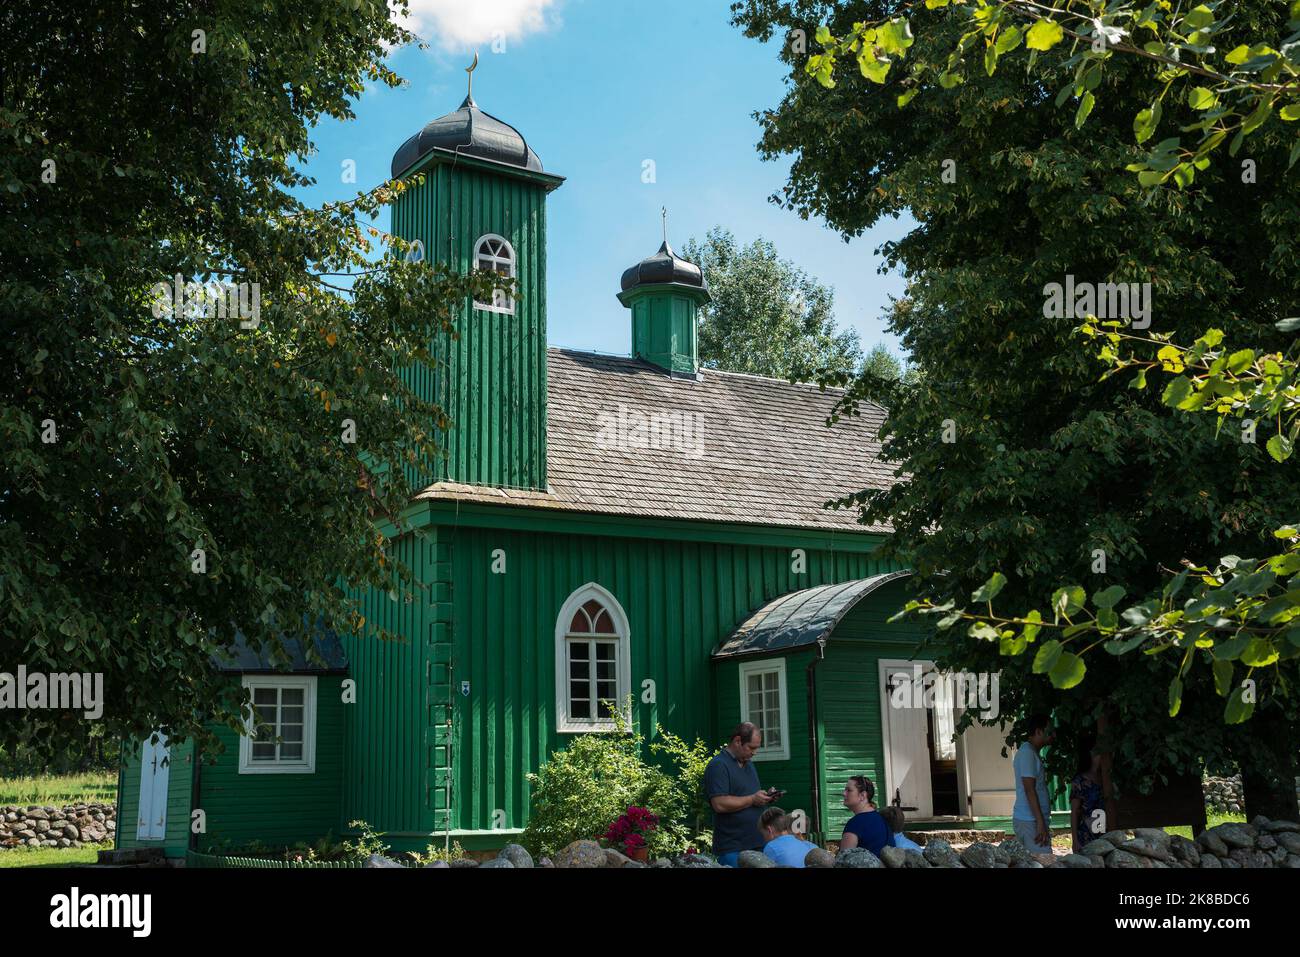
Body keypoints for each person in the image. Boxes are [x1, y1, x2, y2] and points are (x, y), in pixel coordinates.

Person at [704, 722, 776, 867]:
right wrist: (752, 799)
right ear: (737, 741)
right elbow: (719, 803)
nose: (754, 752)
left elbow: (749, 797)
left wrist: (765, 798)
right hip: (732, 848)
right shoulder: (718, 765)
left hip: (757, 844)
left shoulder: (749, 764)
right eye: (751, 747)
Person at [1012, 713, 1056, 856]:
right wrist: (1040, 823)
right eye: (1049, 731)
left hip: (1031, 821)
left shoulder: (1030, 752)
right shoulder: (1027, 754)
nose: (1053, 735)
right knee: (1044, 861)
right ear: (1038, 731)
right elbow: (1029, 789)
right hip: (1030, 821)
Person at [1069, 734, 1105, 854]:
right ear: (1091, 753)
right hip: (1086, 837)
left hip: (1105, 835)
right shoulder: (1079, 781)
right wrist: (1075, 841)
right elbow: (1074, 812)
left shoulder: (1106, 779)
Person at [838, 775, 891, 856]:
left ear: (862, 795)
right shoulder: (882, 819)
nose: (844, 793)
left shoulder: (855, 824)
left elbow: (843, 861)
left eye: (849, 790)